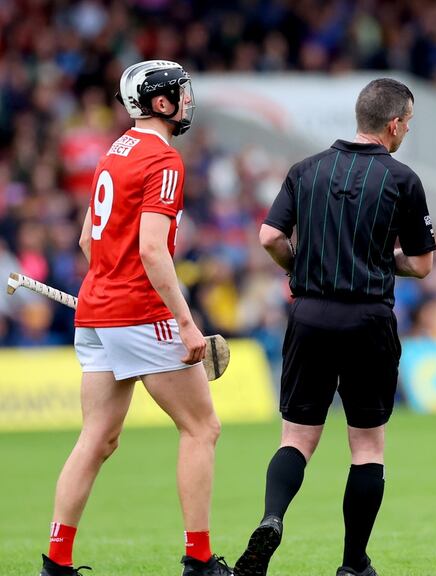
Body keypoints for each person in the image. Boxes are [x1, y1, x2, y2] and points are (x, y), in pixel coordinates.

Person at [234, 78, 435, 576]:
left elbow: (268, 236)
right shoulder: (401, 179)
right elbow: (423, 264)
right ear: (393, 124)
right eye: (408, 121)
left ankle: (272, 518)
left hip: (310, 317)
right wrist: (385, 259)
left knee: (296, 438)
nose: (407, 129)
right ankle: (352, 565)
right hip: (367, 319)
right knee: (366, 446)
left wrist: (300, 264)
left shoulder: (306, 170)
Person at [41, 60, 232, 576]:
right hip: (139, 311)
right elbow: (152, 250)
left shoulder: (114, 151)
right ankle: (199, 560)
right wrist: (186, 322)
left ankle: (56, 563)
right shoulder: (164, 160)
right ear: (162, 104)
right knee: (201, 428)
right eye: (181, 94)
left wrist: (109, 288)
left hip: (96, 310)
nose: (188, 101)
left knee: (97, 438)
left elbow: (87, 240)